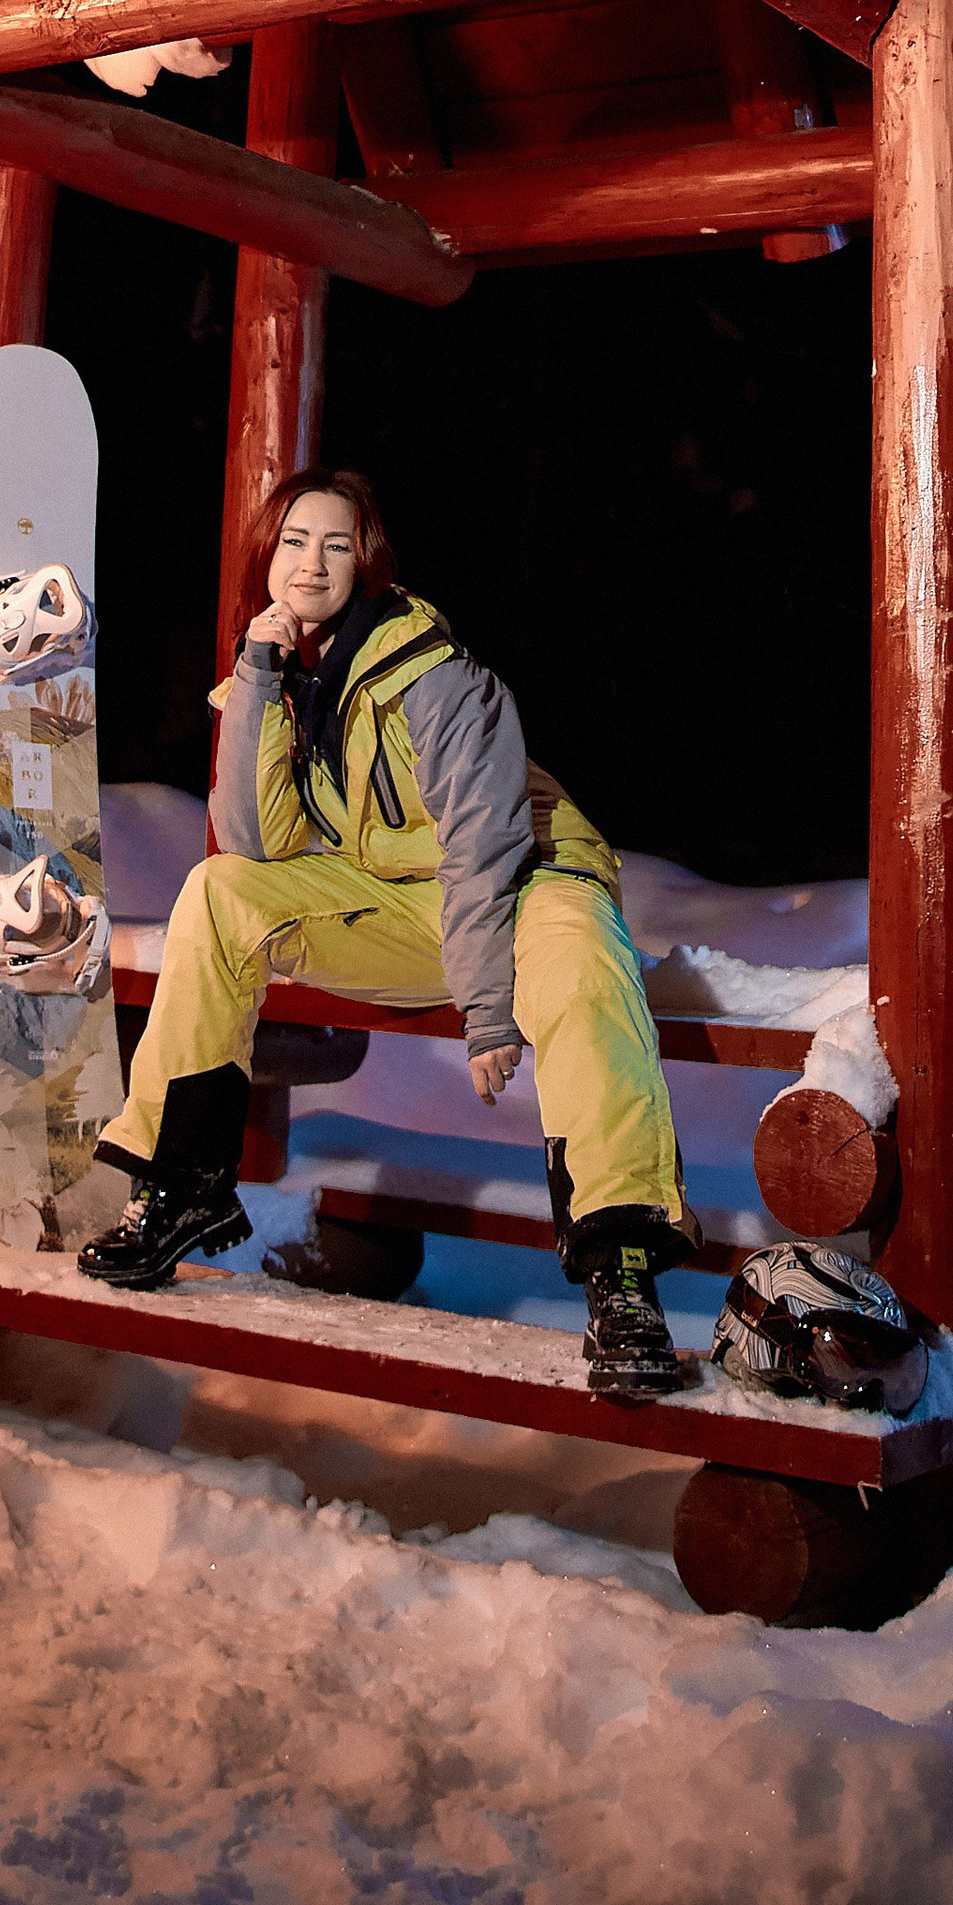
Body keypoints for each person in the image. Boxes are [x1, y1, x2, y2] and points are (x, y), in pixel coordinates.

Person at [80, 463, 697, 1397]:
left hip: (531, 880)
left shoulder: (438, 680)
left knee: (578, 974)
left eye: (337, 544)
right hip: (407, 899)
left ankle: (621, 1271)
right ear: (269, 558)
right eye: (295, 542)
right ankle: (182, 1188)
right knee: (218, 892)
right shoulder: (293, 677)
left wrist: (490, 1009)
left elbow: (485, 847)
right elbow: (258, 841)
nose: (313, 562)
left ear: (367, 562)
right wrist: (255, 676)